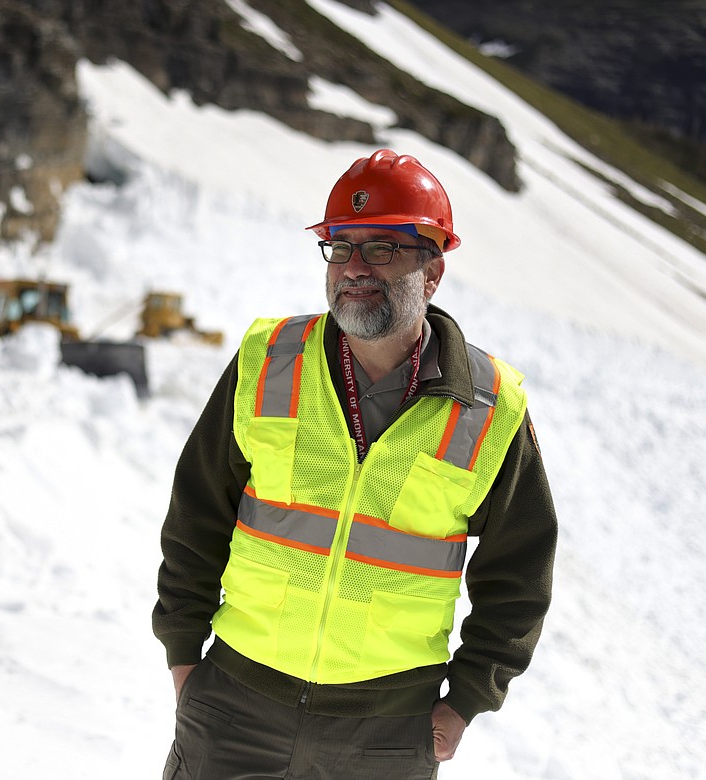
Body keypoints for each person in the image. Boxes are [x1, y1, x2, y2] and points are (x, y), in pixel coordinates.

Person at [154, 149, 557, 779]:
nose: (355, 268)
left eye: (383, 248)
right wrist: (184, 653)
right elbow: (197, 510)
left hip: (387, 734)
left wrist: (469, 700)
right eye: (341, 247)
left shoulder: (489, 406)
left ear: (433, 271)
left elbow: (521, 567)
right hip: (235, 707)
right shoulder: (268, 362)